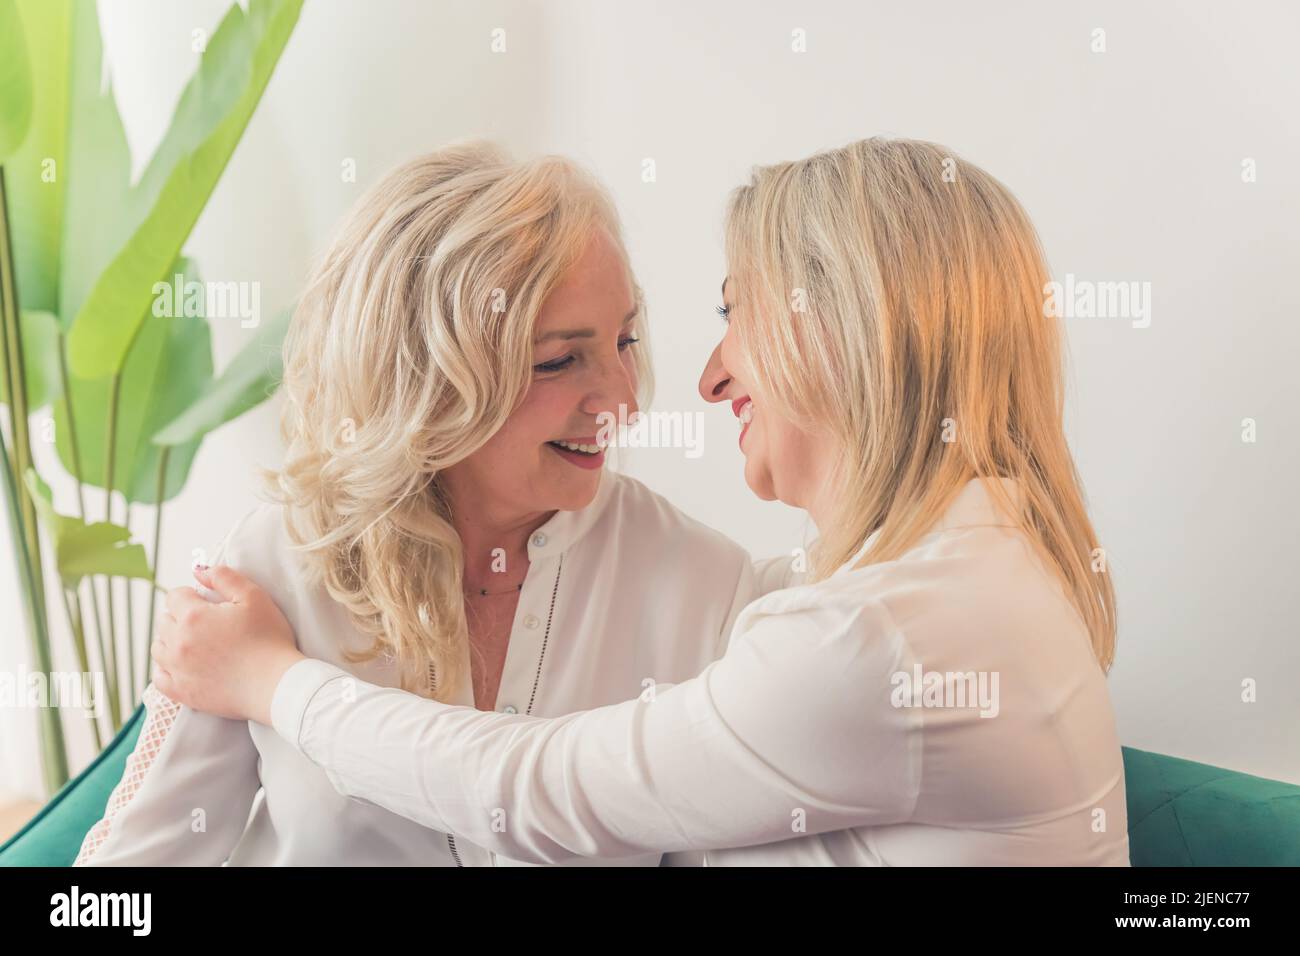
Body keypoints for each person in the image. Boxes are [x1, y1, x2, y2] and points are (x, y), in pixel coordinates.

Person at [156, 137, 1129, 866]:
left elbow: (525, 788)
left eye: (627, 340)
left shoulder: (790, 616)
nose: (648, 393)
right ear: (426, 375)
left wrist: (272, 680)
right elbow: (131, 871)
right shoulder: (271, 565)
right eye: (558, 357)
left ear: (840, 340)